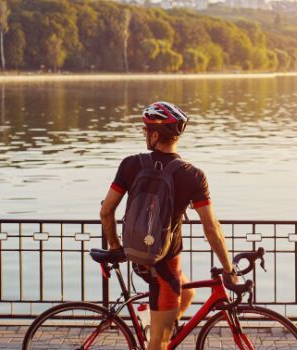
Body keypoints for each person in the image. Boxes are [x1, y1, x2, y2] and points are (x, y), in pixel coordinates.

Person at [99, 101, 236, 350]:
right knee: (159, 344)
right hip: (164, 266)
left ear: (154, 134)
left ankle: (156, 323)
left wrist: (115, 246)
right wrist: (229, 269)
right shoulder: (193, 175)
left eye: (145, 131)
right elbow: (211, 228)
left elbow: (106, 211)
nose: (145, 136)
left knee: (189, 293)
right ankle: (157, 331)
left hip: (141, 257)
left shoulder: (130, 164)